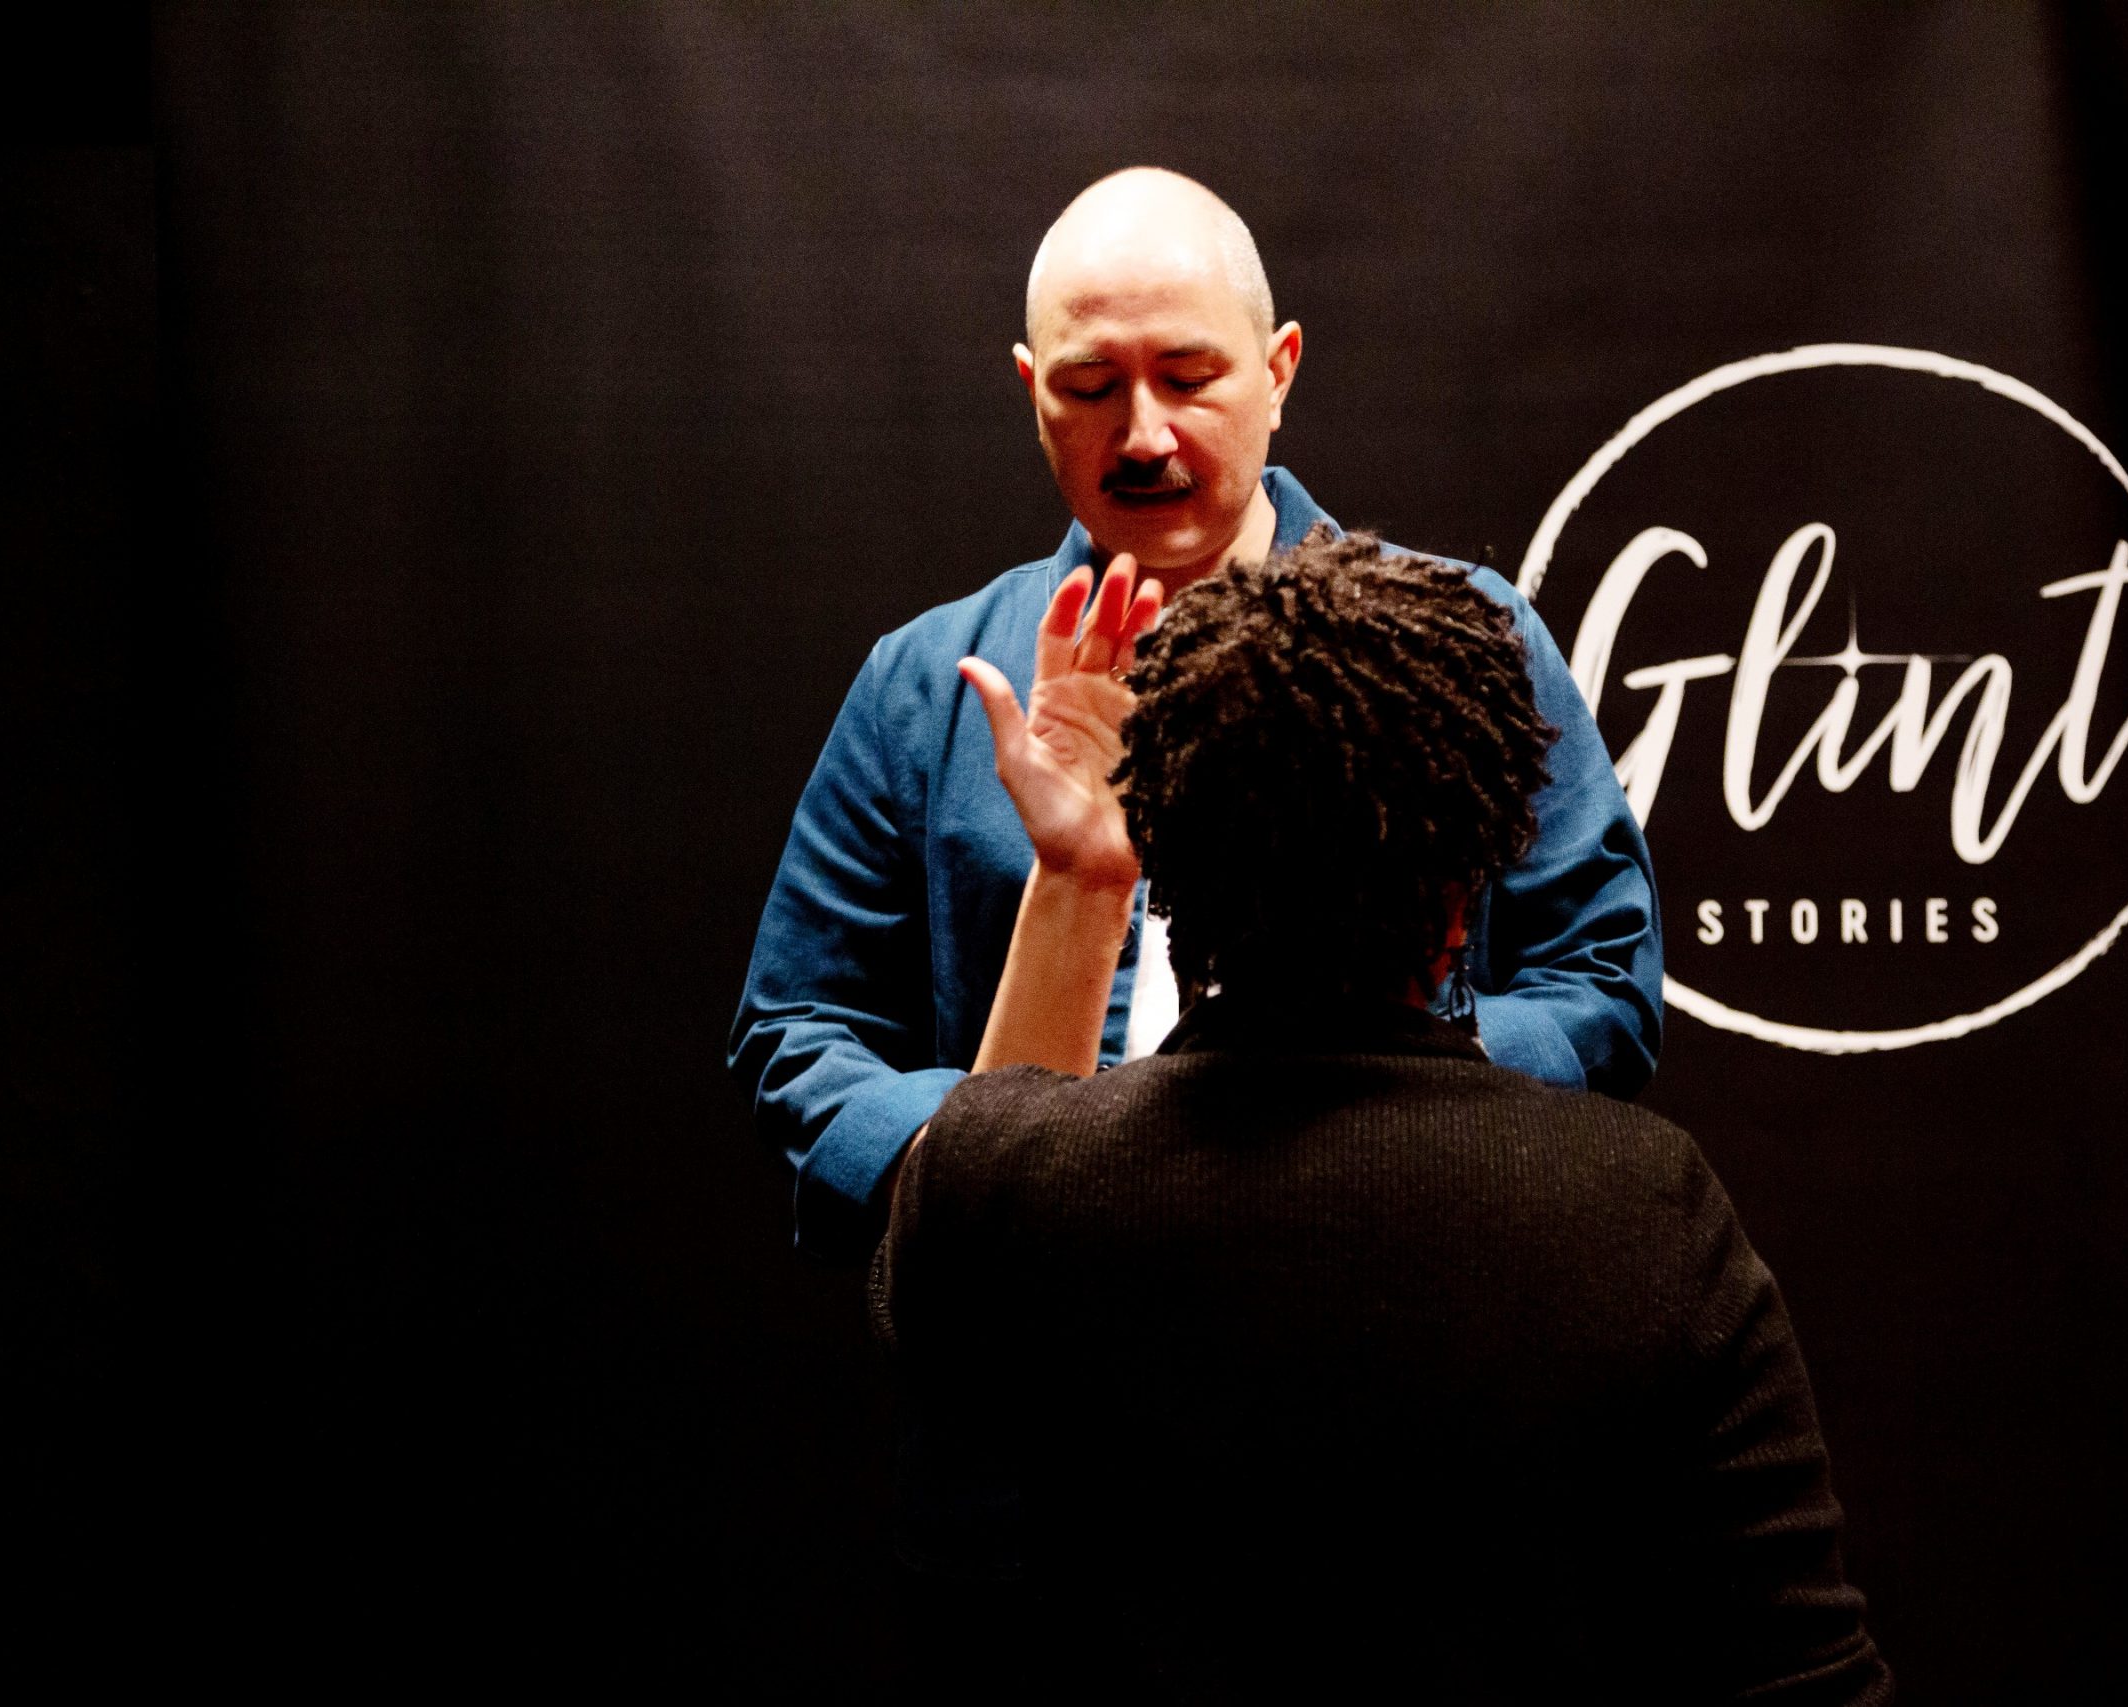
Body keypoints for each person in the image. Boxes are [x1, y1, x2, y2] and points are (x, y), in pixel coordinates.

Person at [876, 532, 1890, 1699]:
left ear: (1162, 849)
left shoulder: (1001, 1192)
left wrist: (1079, 877)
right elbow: (1803, 1678)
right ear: (1468, 882)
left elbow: (972, 1199)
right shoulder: (1643, 1210)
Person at [729, 167, 1664, 1260]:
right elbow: (797, 1035)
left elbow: (1602, 986)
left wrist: (1383, 1102)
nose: (1143, 436)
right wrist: (976, 1157)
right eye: (1089, 388)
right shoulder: (928, 680)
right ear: (1031, 390)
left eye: (1188, 378)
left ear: (1278, 371)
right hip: (1049, 1300)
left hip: (1382, 1269)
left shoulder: (1460, 643)